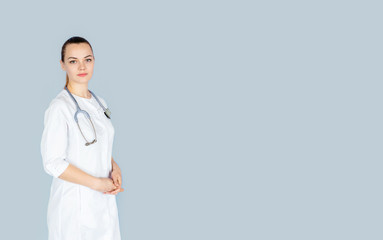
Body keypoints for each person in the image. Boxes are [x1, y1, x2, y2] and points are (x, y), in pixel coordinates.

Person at [40, 36, 124, 240]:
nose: (81, 66)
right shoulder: (60, 108)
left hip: (103, 205)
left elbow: (99, 143)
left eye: (87, 59)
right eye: (73, 61)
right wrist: (96, 184)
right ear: (62, 65)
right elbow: (53, 163)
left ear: (94, 61)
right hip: (74, 209)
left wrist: (114, 167)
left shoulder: (98, 102)